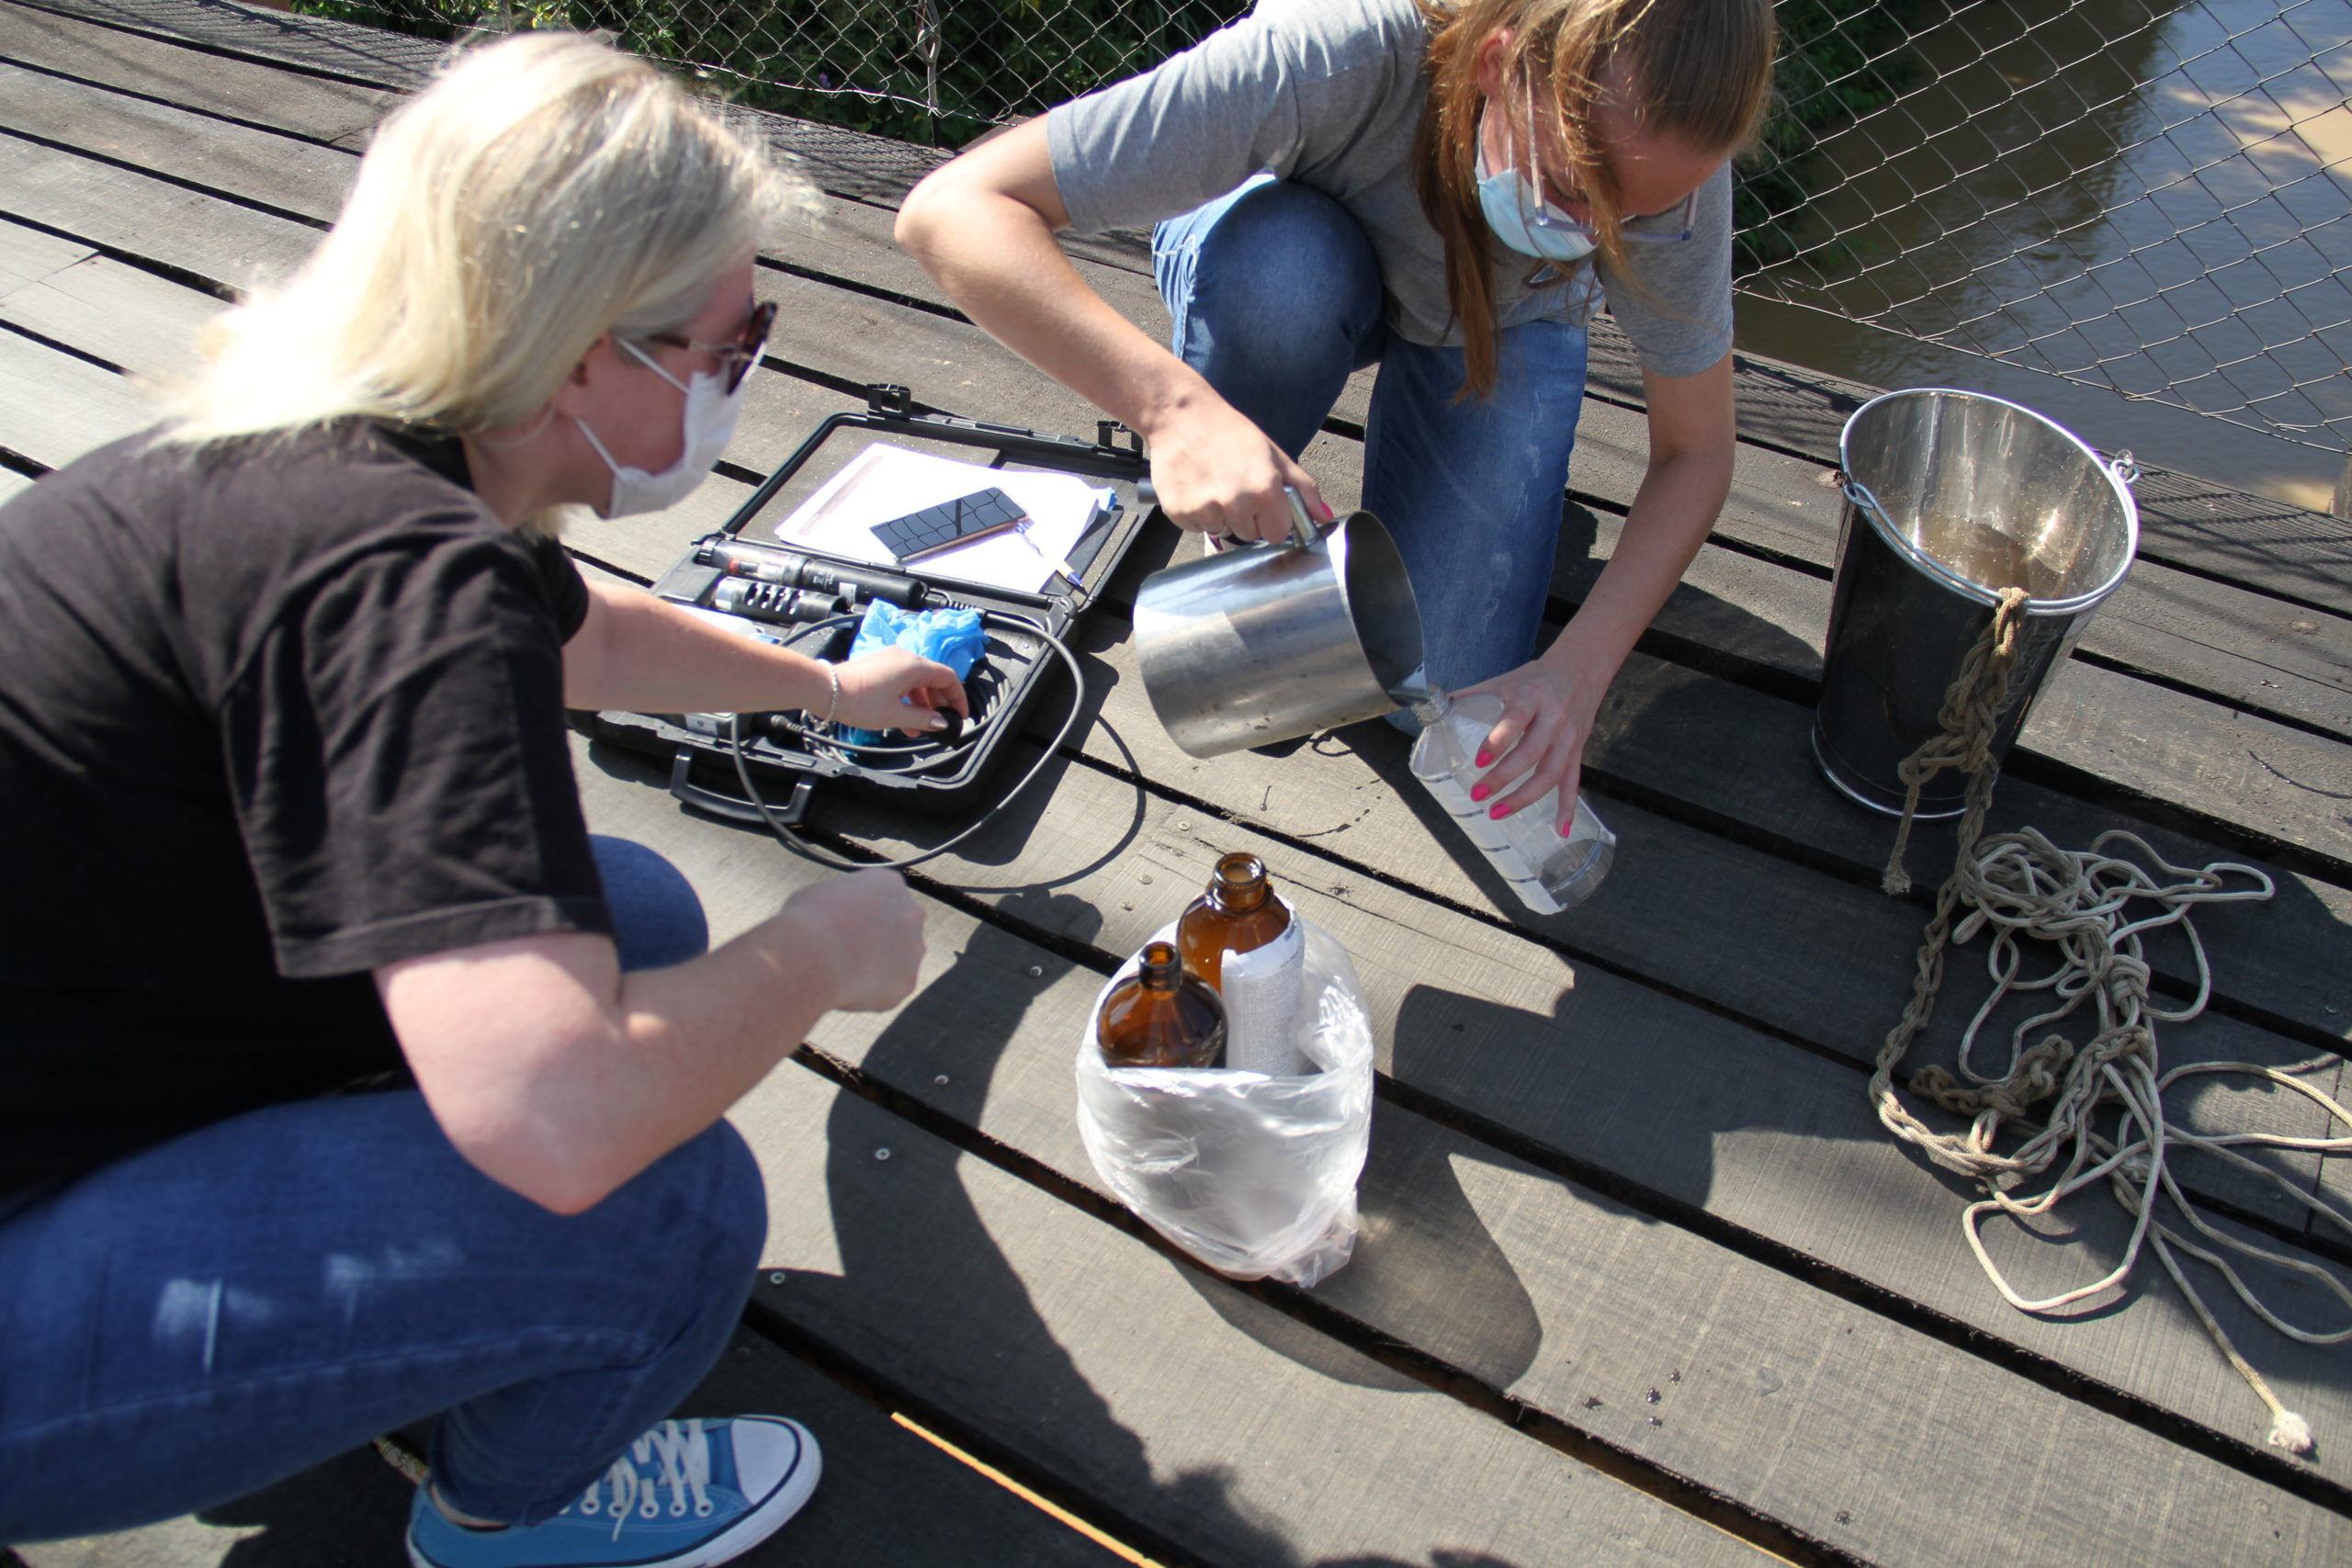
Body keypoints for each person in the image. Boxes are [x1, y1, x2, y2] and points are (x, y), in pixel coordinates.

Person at [0, 32, 969, 1568]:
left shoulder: (336, 449)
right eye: (731, 342)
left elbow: (590, 639)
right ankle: (504, 1517)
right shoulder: (407, 587)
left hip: (80, 1054)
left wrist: (828, 684)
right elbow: (560, 1122)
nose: (744, 376)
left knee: (634, 915)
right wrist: (818, 952)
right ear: (581, 351)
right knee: (665, 1208)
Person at [897, 0, 1774, 829]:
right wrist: (1175, 412)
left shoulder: (1672, 157)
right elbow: (950, 211)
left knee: (1438, 686)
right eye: (1575, 191)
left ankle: (1467, 482)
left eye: (1634, 218)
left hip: (1497, 316)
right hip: (1291, 248)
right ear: (1499, 65)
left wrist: (1579, 670)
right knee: (1285, 276)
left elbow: (1696, 450)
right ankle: (1238, 507)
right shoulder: (1341, 49)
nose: (1598, 234)